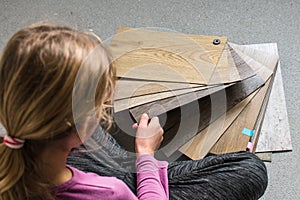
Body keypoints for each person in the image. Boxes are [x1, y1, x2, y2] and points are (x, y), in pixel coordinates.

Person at [0, 23, 268, 200]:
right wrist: (146, 154)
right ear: (78, 124)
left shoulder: (13, 151)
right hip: (133, 187)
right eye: (100, 106)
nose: (106, 107)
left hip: (53, 161)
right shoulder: (110, 193)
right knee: (250, 169)